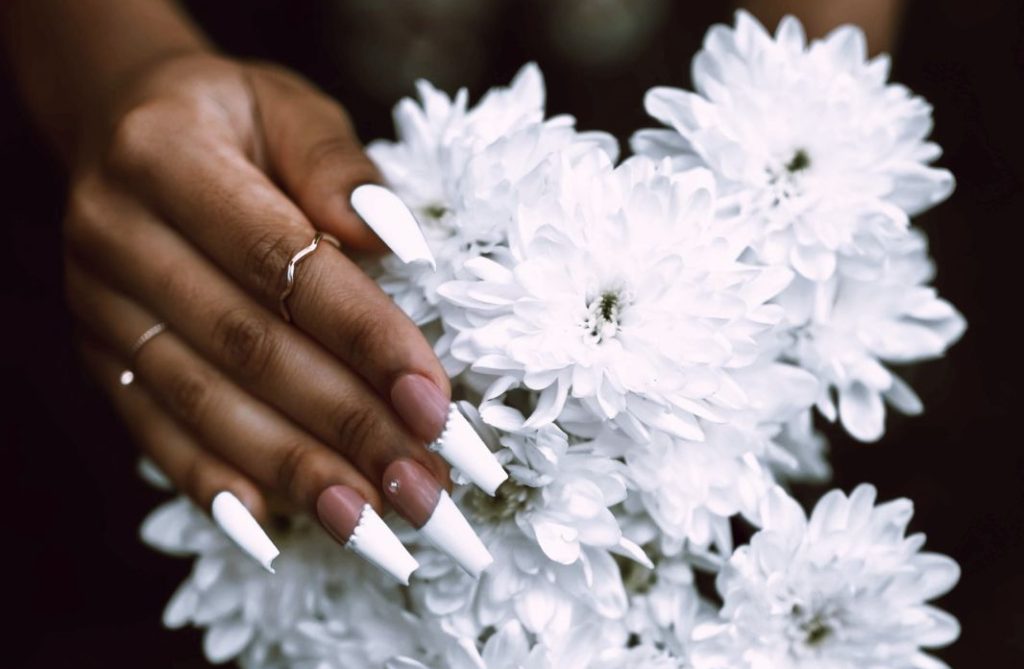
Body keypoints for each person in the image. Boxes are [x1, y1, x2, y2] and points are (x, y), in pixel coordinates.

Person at [0, 0, 902, 562]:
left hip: (687, 148)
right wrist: (117, 69)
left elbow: (822, 61)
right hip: (248, 148)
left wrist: (821, 108)